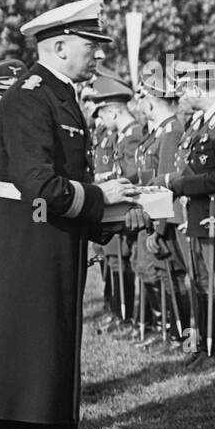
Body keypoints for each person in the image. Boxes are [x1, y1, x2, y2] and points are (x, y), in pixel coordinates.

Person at [0, 0, 146, 429]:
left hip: (53, 262)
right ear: (58, 46)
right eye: (91, 45)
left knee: (52, 390)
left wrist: (113, 213)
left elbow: (65, 193)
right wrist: (102, 198)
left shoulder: (60, 96)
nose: (98, 55)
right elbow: (42, 188)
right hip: (27, 269)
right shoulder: (29, 99)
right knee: (15, 395)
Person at [162, 61, 215, 365]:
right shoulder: (206, 123)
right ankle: (205, 347)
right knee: (203, 285)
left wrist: (178, 184)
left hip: (214, 215)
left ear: (196, 87)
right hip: (198, 214)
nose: (181, 95)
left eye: (184, 88)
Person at [132, 63, 190, 344]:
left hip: (168, 218)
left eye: (142, 97)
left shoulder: (171, 132)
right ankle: (169, 331)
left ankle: (181, 336)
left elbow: (164, 186)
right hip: (157, 216)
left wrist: (159, 227)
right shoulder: (160, 132)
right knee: (154, 272)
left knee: (174, 278)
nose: (138, 103)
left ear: (152, 100)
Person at [88, 73, 145, 331]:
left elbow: (132, 174)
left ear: (112, 111)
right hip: (111, 205)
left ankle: (127, 314)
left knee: (126, 264)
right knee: (111, 261)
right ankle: (117, 310)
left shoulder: (131, 135)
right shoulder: (118, 136)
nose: (99, 119)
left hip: (122, 206)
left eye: (102, 112)